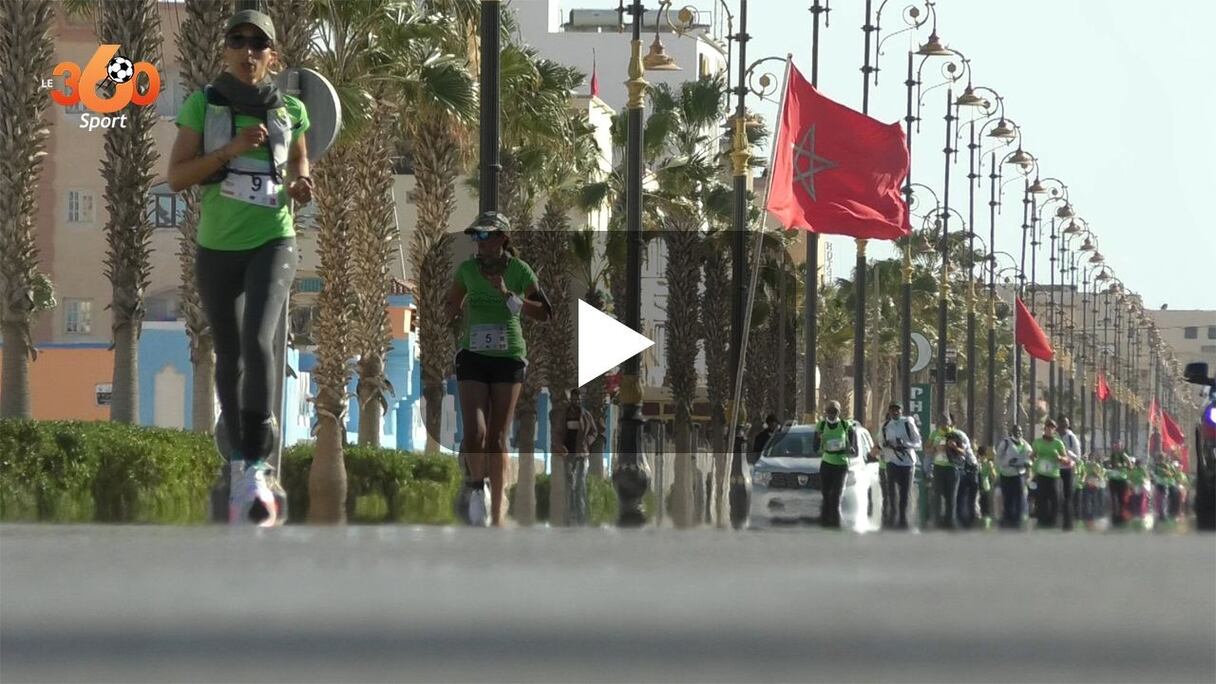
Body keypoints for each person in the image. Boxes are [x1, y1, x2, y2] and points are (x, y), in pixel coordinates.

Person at [168, 10, 311, 526]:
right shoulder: (202, 105)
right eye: (239, 42)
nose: (248, 52)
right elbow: (178, 176)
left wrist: (301, 182)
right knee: (228, 352)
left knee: (259, 340)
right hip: (217, 246)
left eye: (259, 44)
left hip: (274, 239)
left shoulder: (290, 109)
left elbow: (299, 163)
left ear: (273, 55)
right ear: (225, 50)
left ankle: (256, 457)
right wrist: (228, 150)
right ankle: (235, 457)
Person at [446, 210, 552, 527]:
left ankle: (496, 513)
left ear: (502, 238)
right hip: (474, 355)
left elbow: (545, 312)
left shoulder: (519, 270)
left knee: (496, 437)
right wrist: (451, 308)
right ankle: (477, 489)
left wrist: (509, 295)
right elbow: (452, 303)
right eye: (476, 235)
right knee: (474, 432)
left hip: (508, 358)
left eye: (486, 235)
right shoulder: (466, 270)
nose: (479, 241)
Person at [552, 387, 598, 526]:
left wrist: (587, 442)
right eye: (573, 399)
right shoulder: (564, 415)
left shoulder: (586, 415)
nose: (575, 401)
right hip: (568, 454)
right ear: (570, 399)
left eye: (577, 399)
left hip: (582, 455)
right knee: (569, 486)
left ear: (580, 400)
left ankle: (581, 518)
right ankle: (569, 518)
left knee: (580, 485)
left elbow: (594, 432)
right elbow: (558, 433)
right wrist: (560, 446)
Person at [812, 400, 856, 529]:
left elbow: (852, 443)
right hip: (827, 463)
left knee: (836, 495)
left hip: (841, 464)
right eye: (829, 411)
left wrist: (850, 448)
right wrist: (819, 440)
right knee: (826, 494)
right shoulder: (821, 425)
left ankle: (836, 523)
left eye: (835, 411)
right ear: (826, 412)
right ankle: (825, 522)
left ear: (839, 412)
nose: (832, 414)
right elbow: (814, 447)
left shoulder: (845, 424)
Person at [879, 403, 922, 530]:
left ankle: (903, 520)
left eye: (897, 410)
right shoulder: (885, 425)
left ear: (901, 411)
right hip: (892, 461)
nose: (895, 412)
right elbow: (880, 442)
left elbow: (918, 442)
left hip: (907, 462)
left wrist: (905, 445)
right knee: (891, 492)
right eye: (892, 410)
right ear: (889, 412)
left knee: (905, 492)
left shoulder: (908, 423)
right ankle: (893, 517)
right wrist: (886, 445)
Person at [926, 412, 967, 529]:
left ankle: (951, 522)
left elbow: (963, 452)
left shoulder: (955, 434)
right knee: (937, 495)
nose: (945, 424)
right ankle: (937, 521)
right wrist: (935, 448)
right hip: (938, 467)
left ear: (950, 422)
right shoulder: (935, 434)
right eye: (942, 421)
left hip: (952, 468)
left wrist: (954, 447)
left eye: (947, 421)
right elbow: (927, 449)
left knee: (951, 496)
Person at [1030, 419, 1068, 528]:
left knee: (1055, 499)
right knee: (1041, 499)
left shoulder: (1058, 443)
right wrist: (1033, 461)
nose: (1049, 430)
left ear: (1054, 430)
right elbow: (1032, 455)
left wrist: (1059, 457)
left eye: (1052, 428)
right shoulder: (1037, 442)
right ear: (1044, 428)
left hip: (1053, 476)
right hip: (1041, 475)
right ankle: (1042, 521)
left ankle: (1054, 521)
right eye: (1048, 427)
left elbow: (1066, 459)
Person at [996, 424, 1031, 528]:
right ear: (1012, 432)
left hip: (1019, 475)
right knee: (1008, 498)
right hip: (1006, 475)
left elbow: (1031, 457)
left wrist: (1027, 463)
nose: (1019, 433)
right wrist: (1007, 463)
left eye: (1020, 431)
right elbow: (998, 458)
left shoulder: (1025, 444)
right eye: (1016, 431)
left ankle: (1018, 519)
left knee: (1019, 497)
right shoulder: (1005, 443)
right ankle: (1008, 519)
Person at [1057, 416, 1082, 531]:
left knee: (1068, 496)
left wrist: (1069, 454)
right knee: (1057, 495)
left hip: (1067, 469)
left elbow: (1078, 457)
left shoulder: (1072, 438)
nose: (1062, 428)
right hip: (1055, 470)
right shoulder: (1054, 436)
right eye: (1061, 425)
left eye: (1065, 425)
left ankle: (1068, 522)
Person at [1106, 443, 1132, 527]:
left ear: (1121, 448)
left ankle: (1122, 517)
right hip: (1113, 480)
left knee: (1122, 500)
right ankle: (1114, 517)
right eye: (1115, 447)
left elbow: (1130, 466)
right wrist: (1110, 466)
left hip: (1122, 480)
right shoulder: (1112, 456)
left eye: (1118, 447)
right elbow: (1109, 465)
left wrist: (1122, 466)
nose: (1116, 449)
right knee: (1113, 499)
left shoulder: (1125, 456)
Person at [1080, 453, 1107, 524]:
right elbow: (1085, 473)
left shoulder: (1096, 465)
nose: (1091, 459)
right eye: (1090, 457)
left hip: (1094, 484)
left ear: (1094, 458)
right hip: (1088, 483)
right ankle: (1088, 516)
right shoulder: (1086, 465)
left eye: (1092, 457)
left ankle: (1094, 515)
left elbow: (1098, 475)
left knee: (1094, 500)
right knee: (1088, 500)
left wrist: (1095, 473)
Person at [977, 446, 998, 528]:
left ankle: (985, 523)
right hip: (984, 486)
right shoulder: (987, 463)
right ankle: (985, 524)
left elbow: (993, 475)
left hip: (983, 487)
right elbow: (994, 476)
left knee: (984, 505)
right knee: (985, 506)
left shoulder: (984, 463)